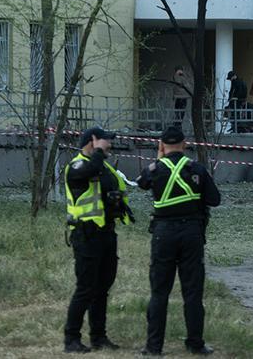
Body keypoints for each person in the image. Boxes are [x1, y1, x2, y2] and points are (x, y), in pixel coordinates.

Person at [136, 127, 221, 356]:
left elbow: (141, 183)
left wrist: (158, 159)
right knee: (192, 291)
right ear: (185, 144)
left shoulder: (154, 170)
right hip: (191, 233)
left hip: (163, 234)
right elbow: (215, 200)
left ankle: (154, 347)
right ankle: (195, 343)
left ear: (162, 146)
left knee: (159, 291)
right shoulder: (196, 169)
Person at [63, 127, 133, 353]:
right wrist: (99, 152)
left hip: (106, 234)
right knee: (85, 289)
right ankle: (71, 339)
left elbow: (115, 190)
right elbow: (88, 171)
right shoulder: (77, 166)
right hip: (86, 235)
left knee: (102, 288)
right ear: (92, 142)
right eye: (105, 141)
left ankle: (98, 337)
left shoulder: (104, 167)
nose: (109, 145)